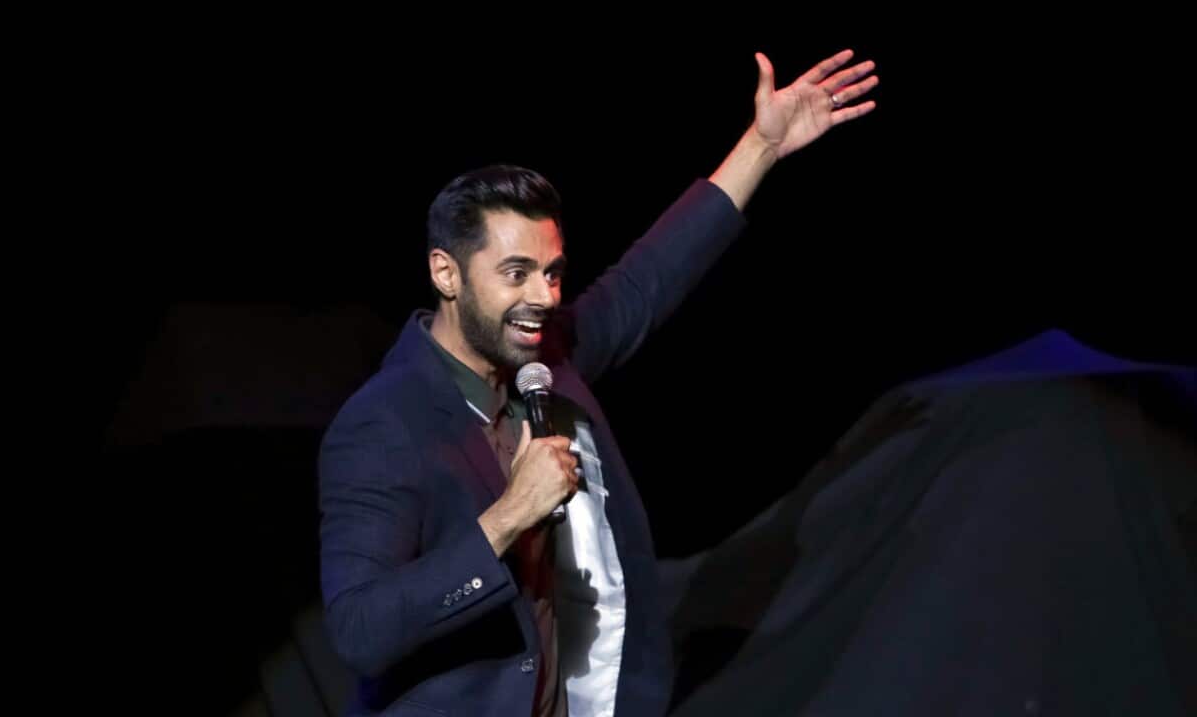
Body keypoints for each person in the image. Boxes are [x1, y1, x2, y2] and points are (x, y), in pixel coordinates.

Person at [319, 49, 878, 716]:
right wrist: (506, 518)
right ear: (446, 274)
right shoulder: (383, 424)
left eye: (553, 272)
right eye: (517, 273)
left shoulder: (545, 357)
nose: (544, 296)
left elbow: (646, 280)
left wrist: (761, 146)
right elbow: (359, 633)